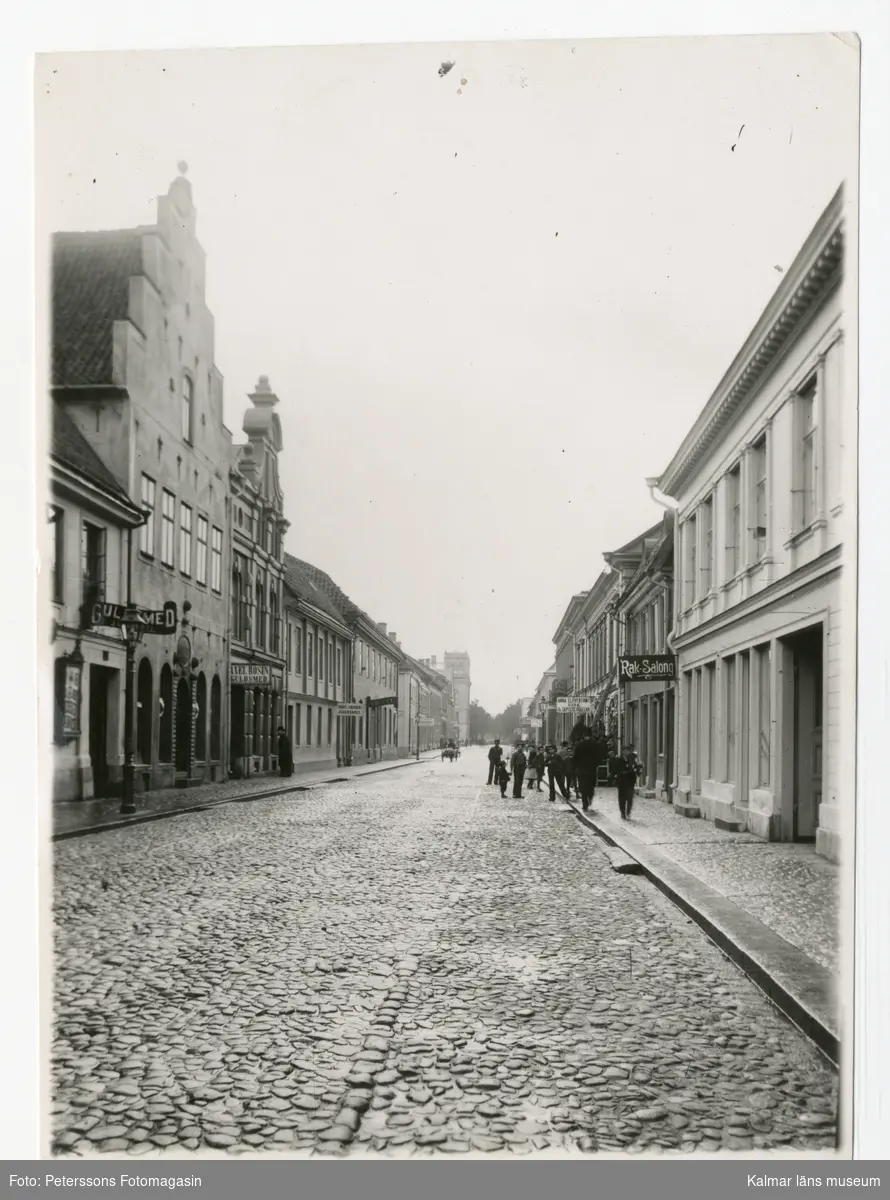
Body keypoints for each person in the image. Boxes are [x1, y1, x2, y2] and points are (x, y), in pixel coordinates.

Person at [612, 744, 641, 820]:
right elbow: (616, 770)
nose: (626, 752)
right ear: (622, 751)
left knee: (630, 797)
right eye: (625, 750)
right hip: (621, 782)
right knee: (622, 798)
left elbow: (637, 766)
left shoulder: (632, 759)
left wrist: (637, 770)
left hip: (630, 781)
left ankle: (628, 812)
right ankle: (622, 813)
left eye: (627, 750)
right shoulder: (619, 759)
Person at [573, 729, 599, 811]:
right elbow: (600, 756)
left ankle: (585, 803)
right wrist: (596, 764)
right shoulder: (595, 745)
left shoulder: (579, 745)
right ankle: (590, 797)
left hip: (581, 769)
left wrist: (575, 766)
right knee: (591, 785)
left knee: (583, 787)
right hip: (592, 769)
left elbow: (575, 757)